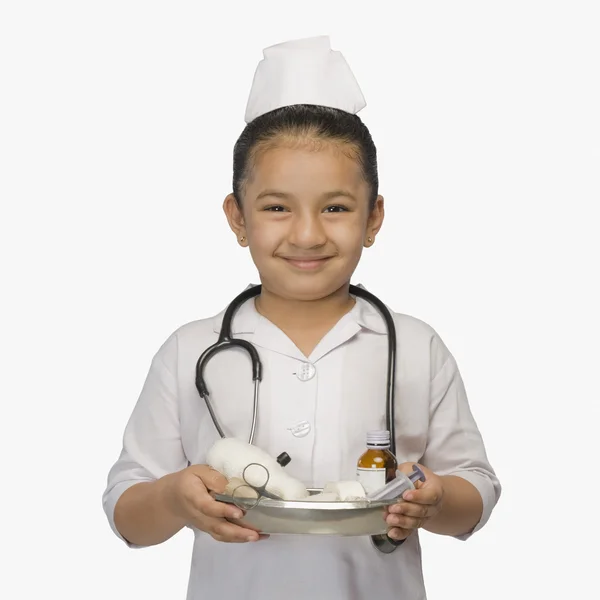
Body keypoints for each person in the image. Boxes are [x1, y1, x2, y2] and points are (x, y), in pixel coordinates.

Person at [102, 35, 501, 599]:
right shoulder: (189, 351)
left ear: (374, 217)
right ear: (237, 218)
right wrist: (172, 499)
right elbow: (127, 514)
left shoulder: (415, 346)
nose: (308, 234)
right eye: (276, 207)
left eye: (336, 207)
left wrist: (435, 500)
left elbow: (475, 494)